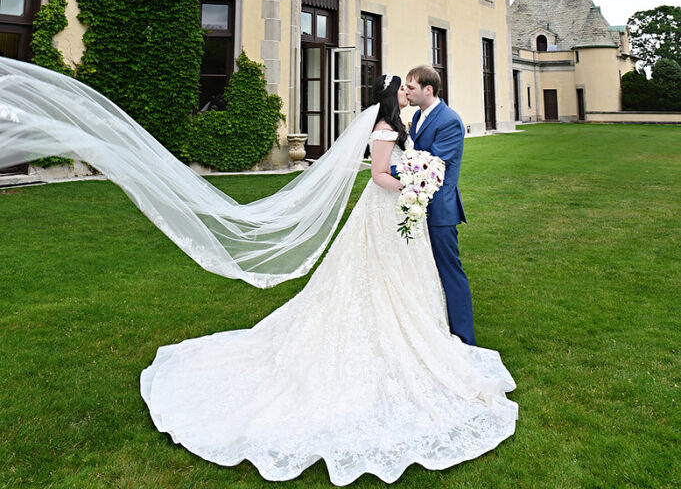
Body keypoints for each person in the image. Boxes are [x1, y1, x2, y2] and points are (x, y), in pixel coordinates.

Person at [0, 62, 517, 485]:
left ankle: (441, 335)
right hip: (389, 212)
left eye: (410, 85)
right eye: (401, 88)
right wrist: (411, 180)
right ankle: (425, 339)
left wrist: (416, 178)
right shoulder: (386, 128)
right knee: (373, 285)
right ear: (394, 98)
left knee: (408, 282)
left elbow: (426, 161)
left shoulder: (412, 122)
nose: (406, 91)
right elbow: (383, 173)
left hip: (403, 216)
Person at [403, 63, 476, 345]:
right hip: (419, 205)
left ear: (428, 89)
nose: (407, 92)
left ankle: (465, 338)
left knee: (449, 270)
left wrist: (388, 170)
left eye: (411, 87)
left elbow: (432, 163)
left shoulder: (449, 120)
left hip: (440, 209)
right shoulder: (419, 117)